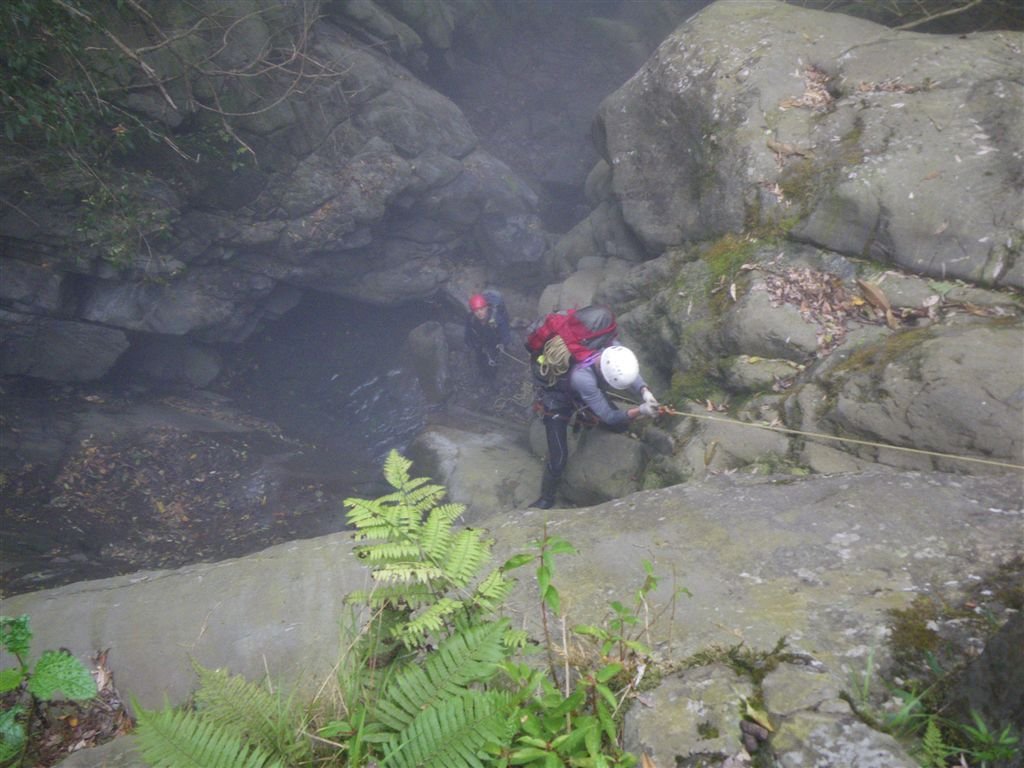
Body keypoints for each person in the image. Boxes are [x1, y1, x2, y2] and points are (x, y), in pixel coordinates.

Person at [530, 344, 660, 509]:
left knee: (621, 426)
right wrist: (641, 410)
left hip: (583, 391)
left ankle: (588, 420)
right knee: (559, 457)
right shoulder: (582, 378)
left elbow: (628, 372)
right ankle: (546, 498)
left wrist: (645, 391)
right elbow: (609, 416)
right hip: (556, 402)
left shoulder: (614, 350)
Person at [464, 291, 512, 384]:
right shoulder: (471, 319)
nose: (479, 313)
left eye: (481, 309)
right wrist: (469, 344)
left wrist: (502, 344)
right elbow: (468, 332)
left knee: (493, 362)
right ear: (473, 311)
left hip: (494, 343)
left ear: (486, 307)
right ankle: (483, 374)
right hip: (479, 343)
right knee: (480, 360)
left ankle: (492, 379)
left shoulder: (496, 319)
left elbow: (506, 334)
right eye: (476, 310)